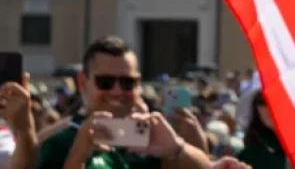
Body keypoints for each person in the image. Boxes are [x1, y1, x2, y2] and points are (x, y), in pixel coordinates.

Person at [35, 36, 213, 169]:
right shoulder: (60, 143)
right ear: (83, 83)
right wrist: (77, 156)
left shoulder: (153, 137)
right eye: (106, 82)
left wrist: (176, 149)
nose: (117, 91)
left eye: (128, 83)